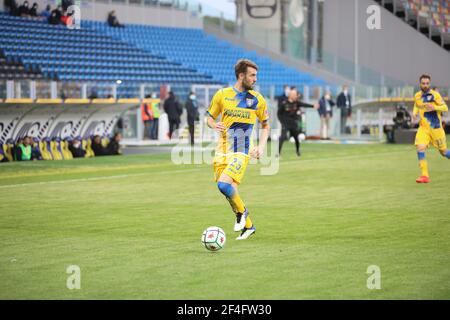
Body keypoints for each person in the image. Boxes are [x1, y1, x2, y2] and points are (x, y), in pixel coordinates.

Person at [206, 59, 270, 240]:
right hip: (222, 150)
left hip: (242, 150)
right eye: (252, 75)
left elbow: (266, 125)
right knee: (227, 190)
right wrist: (213, 125)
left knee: (224, 184)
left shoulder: (257, 100)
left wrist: (262, 146)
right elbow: (209, 117)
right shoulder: (222, 95)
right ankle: (248, 226)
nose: (255, 79)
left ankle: (242, 213)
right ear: (241, 75)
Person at [412, 74, 449, 184]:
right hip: (424, 128)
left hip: (436, 128)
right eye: (423, 83)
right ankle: (425, 176)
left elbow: (445, 108)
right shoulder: (417, 96)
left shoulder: (435, 95)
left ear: (429, 83)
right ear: (420, 84)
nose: (425, 85)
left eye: (427, 83)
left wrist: (435, 107)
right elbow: (416, 104)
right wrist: (414, 113)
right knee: (420, 147)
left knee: (444, 152)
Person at [278, 87, 316, 157]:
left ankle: (298, 151)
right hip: (286, 123)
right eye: (294, 94)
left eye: (296, 94)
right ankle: (278, 153)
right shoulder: (284, 103)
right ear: (290, 95)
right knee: (282, 137)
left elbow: (304, 104)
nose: (296, 96)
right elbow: (279, 113)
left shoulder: (296, 103)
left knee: (296, 138)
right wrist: (282, 121)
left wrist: (313, 106)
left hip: (293, 123)